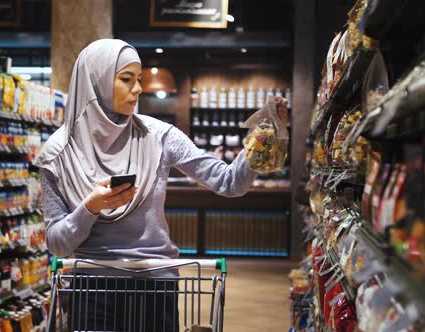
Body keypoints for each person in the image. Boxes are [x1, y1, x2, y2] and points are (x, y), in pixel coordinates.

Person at [34, 39, 288, 332]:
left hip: (154, 284)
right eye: (126, 79)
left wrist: (263, 139)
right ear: (96, 81)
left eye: (139, 79)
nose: (138, 89)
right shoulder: (57, 154)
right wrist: (90, 208)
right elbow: (57, 243)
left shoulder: (160, 136)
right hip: (91, 288)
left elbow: (230, 182)